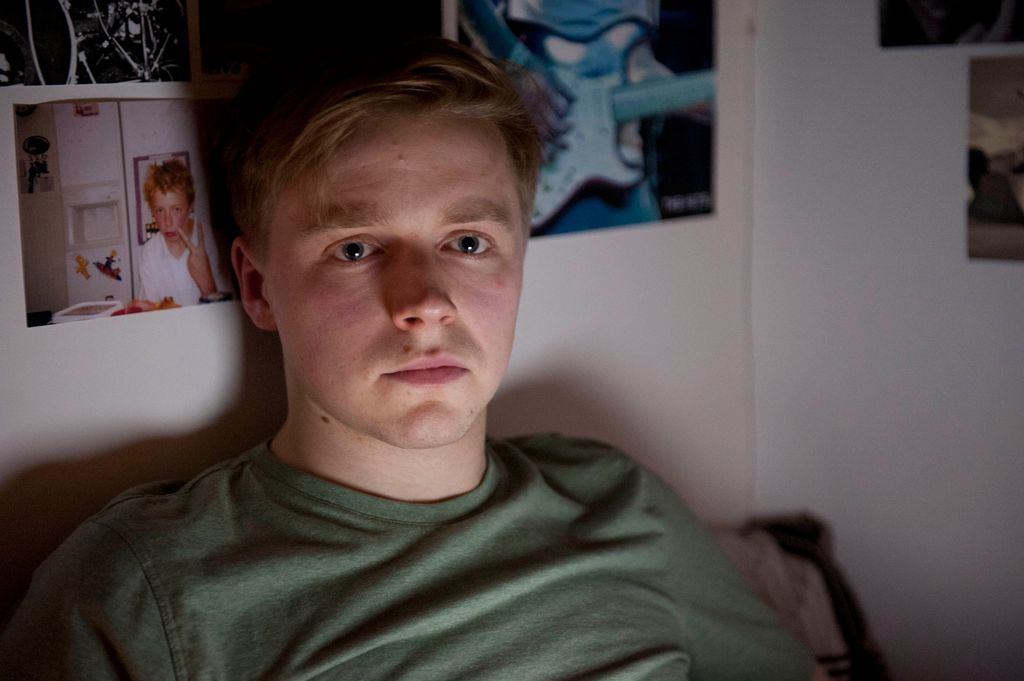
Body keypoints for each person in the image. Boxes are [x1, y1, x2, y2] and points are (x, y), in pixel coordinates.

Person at [0, 38, 824, 679]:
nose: (424, 299)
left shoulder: (617, 498)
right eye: (355, 247)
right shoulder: (137, 594)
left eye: (468, 241)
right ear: (256, 285)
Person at [137, 158, 230, 305]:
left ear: (190, 207)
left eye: (176, 209)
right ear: (152, 212)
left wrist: (208, 286)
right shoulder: (149, 253)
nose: (167, 222)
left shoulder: (215, 241)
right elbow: (152, 314)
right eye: (160, 210)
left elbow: (234, 316)